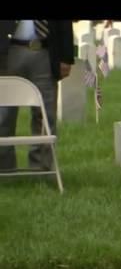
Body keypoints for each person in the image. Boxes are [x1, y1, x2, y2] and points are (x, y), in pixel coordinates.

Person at [0, 20, 74, 171]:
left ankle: (41, 168)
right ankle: (4, 168)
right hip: (9, 51)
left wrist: (66, 57)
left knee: (45, 115)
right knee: (4, 115)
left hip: (44, 52)